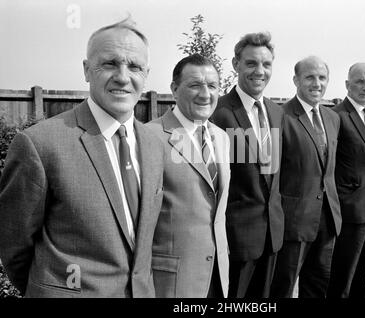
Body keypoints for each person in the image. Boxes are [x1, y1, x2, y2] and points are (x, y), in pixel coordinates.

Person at [0, 18, 165, 297]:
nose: (123, 77)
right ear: (87, 70)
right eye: (110, 63)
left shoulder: (154, 144)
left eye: (134, 66)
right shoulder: (40, 144)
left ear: (146, 74)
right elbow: (13, 245)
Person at [147, 54, 230, 298]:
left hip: (218, 276)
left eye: (213, 86)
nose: (206, 94)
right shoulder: (150, 137)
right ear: (174, 89)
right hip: (172, 281)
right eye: (195, 85)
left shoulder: (223, 138)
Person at [211, 32, 284, 298]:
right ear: (236, 64)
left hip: (272, 237)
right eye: (251, 63)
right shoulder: (218, 114)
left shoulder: (277, 113)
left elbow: (274, 176)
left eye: (266, 64)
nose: (259, 71)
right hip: (235, 241)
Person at [270, 56, 341, 298]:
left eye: (322, 78)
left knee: (318, 287)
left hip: (327, 221)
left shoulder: (333, 118)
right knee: (283, 288)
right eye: (310, 77)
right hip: (294, 223)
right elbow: (273, 176)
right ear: (296, 80)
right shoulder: (280, 117)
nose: (317, 83)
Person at [327, 63, 365, 298]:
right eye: (359, 81)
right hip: (351, 213)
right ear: (347, 84)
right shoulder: (337, 116)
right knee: (343, 277)